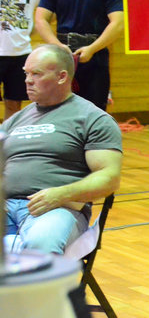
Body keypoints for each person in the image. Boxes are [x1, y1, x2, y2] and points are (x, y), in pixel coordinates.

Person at [3, 44, 123, 254]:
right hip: (6, 206)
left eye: (36, 74)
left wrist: (61, 194)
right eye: (26, 73)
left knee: (41, 244)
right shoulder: (16, 120)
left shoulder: (92, 119)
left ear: (61, 77)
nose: (28, 80)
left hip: (57, 208)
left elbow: (109, 177)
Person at [35, 0, 124, 111]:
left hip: (95, 56)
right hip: (62, 56)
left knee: (94, 110)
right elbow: (41, 19)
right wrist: (57, 46)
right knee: (58, 108)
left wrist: (92, 49)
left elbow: (117, 23)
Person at [0, 0, 45, 120]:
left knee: (14, 104)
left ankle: (8, 137)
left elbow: (49, 12)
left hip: (20, 54)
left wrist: (32, 29)